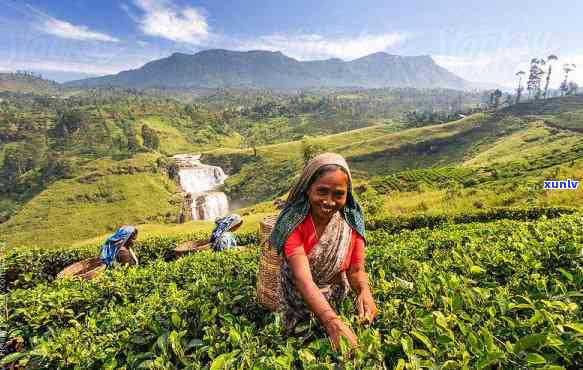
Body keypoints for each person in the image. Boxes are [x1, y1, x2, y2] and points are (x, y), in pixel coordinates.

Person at [269, 153, 377, 349]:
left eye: (338, 194)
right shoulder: (294, 225)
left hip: (336, 299)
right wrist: (332, 323)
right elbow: (304, 280)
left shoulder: (350, 224)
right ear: (308, 190)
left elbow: (355, 271)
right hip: (297, 302)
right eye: (322, 191)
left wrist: (364, 291)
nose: (329, 201)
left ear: (347, 194)